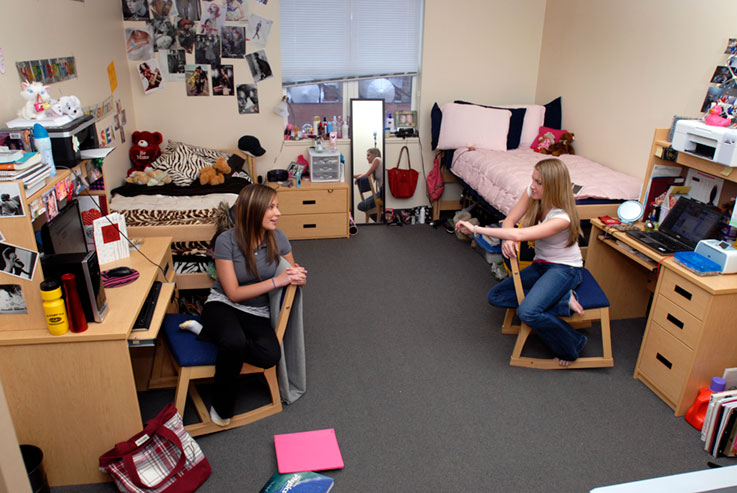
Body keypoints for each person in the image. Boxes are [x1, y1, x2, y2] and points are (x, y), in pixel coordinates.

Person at [179, 184, 307, 426]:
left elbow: (292, 271)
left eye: (277, 206)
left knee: (270, 355)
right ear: (252, 210)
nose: (278, 213)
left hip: (257, 311)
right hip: (224, 305)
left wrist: (298, 277)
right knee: (234, 342)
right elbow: (234, 293)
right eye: (271, 207)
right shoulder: (226, 241)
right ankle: (221, 407)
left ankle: (208, 334)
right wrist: (276, 281)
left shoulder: (278, 237)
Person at [455, 158, 586, 366]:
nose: (533, 185)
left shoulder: (562, 218)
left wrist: (476, 230)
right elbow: (510, 221)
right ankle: (562, 299)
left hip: (565, 269)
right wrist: (508, 236)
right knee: (496, 296)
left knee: (527, 312)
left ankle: (572, 344)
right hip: (541, 265)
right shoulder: (533, 192)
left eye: (539, 182)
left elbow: (523, 233)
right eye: (533, 179)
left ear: (553, 187)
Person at [353, 148, 383, 221]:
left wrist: (358, 178)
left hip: (382, 193)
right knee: (364, 206)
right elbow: (366, 175)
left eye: (368, 155)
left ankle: (380, 220)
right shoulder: (378, 161)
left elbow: (367, 174)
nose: (367, 158)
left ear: (374, 155)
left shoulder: (377, 159)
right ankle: (380, 220)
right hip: (380, 192)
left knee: (361, 206)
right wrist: (353, 176)